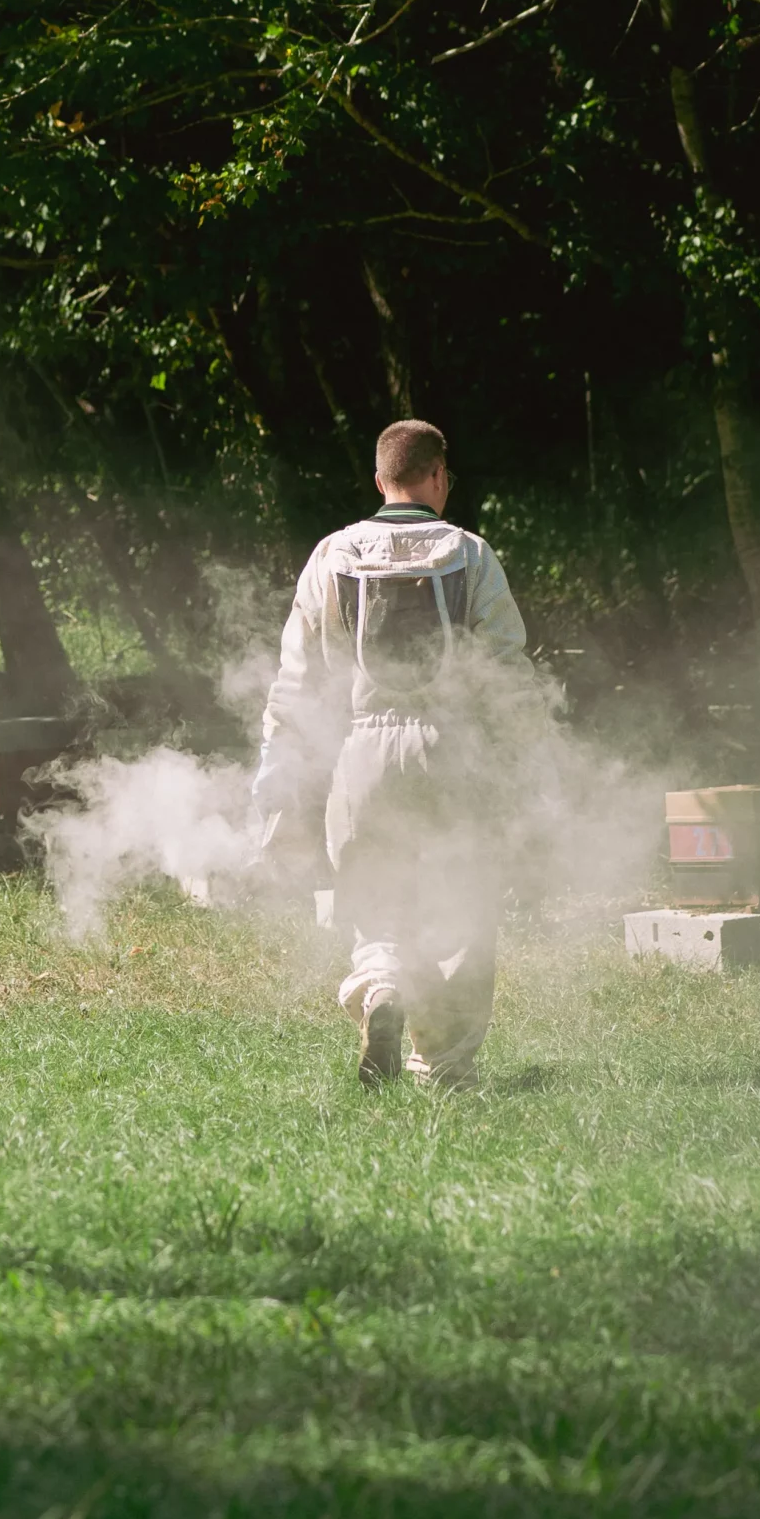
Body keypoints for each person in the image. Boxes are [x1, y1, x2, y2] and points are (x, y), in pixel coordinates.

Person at [252, 419, 531, 1086]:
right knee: (460, 905)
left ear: (380, 480)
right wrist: (525, 762)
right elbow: (507, 669)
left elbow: (298, 681)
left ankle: (380, 990)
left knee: (373, 895)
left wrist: (276, 776)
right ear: (438, 476)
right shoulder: (469, 553)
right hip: (451, 748)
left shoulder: (332, 555)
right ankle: (444, 1070)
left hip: (361, 750)